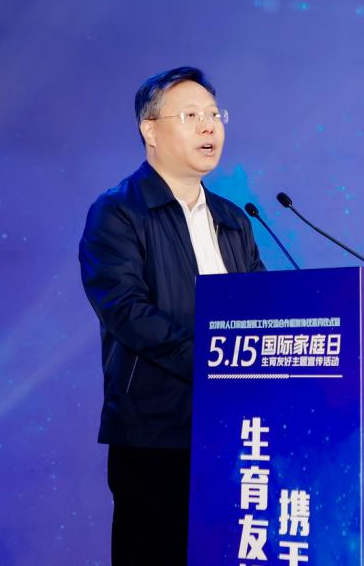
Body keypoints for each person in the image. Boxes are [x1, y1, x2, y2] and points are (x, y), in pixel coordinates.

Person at [79, 67, 265, 565]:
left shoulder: (234, 218)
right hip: (157, 434)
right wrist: (216, 364)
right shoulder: (118, 213)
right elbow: (127, 311)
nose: (209, 127)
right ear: (150, 130)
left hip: (237, 433)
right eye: (191, 115)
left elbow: (263, 310)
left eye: (214, 115)